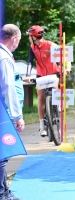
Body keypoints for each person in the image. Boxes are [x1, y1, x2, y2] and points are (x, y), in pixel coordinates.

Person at [23, 25, 71, 137]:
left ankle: (58, 114)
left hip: (54, 72)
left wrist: (67, 68)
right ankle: (42, 125)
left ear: (34, 37)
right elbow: (30, 61)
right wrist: (28, 75)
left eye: (30, 36)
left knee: (56, 94)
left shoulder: (50, 45)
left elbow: (65, 56)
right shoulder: (32, 47)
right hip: (40, 74)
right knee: (40, 96)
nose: (29, 38)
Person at [0, 24, 25, 200]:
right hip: (4, 111)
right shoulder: (4, 58)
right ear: (14, 37)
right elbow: (8, 88)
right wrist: (17, 116)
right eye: (19, 39)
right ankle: (2, 193)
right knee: (2, 153)